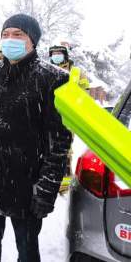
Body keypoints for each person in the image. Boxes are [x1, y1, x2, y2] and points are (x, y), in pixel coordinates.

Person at [0, 13, 72, 262]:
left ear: (32, 40)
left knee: (27, 248)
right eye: (5, 34)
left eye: (18, 34)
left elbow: (59, 141)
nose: (9, 39)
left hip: (28, 184)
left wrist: (46, 187)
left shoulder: (51, 78)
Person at [49, 44, 90, 193]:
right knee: (48, 148)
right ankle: (51, 180)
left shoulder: (76, 72)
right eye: (53, 53)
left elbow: (84, 94)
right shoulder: (47, 70)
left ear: (65, 55)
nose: (56, 56)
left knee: (65, 149)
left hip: (67, 116)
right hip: (48, 116)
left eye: (59, 53)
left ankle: (64, 184)